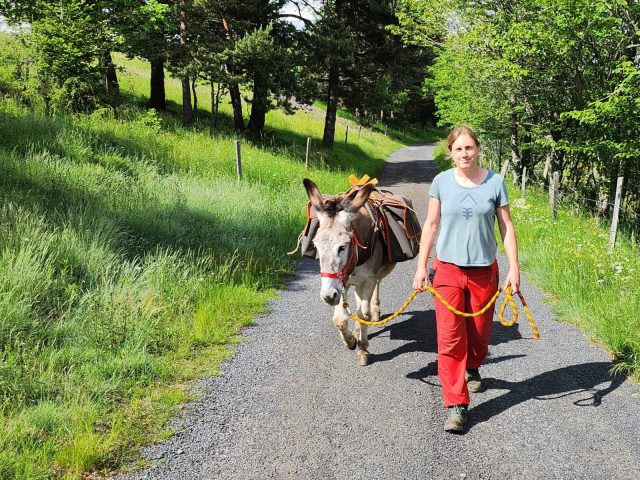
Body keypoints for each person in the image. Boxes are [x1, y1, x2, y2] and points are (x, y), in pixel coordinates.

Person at [412, 125, 520, 433]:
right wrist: (421, 267)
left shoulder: (495, 182)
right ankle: (456, 405)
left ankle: (473, 365)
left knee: (480, 334)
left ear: (478, 149)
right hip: (447, 270)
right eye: (458, 149)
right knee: (449, 340)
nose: (464, 153)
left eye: (469, 148)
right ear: (450, 153)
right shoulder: (441, 182)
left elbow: (507, 227)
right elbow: (431, 226)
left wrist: (514, 268)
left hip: (484, 271)